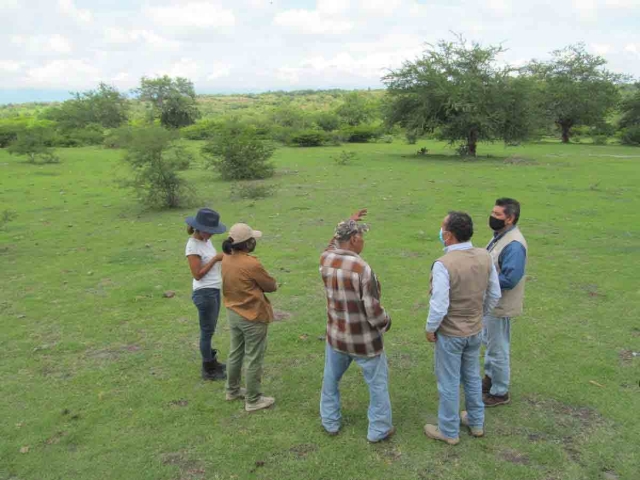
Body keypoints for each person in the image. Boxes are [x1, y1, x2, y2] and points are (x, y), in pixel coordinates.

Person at [424, 212, 501, 445]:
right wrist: (479, 315)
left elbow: (439, 305)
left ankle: (448, 430)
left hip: (450, 334)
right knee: (471, 376)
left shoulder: (443, 264)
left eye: (442, 229)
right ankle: (476, 422)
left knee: (448, 381)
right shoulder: (484, 256)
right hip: (475, 330)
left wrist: (430, 328)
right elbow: (494, 293)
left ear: (447, 235)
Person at [319, 209, 395, 443]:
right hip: (364, 341)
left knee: (330, 380)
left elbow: (332, 243)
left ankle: (330, 422)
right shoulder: (362, 269)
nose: (363, 241)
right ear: (353, 239)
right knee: (377, 385)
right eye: (361, 236)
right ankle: (378, 429)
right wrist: (386, 322)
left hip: (337, 336)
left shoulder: (325, 258)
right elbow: (372, 310)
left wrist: (348, 221)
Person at [221, 223, 278, 412]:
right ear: (247, 243)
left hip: (233, 312)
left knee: (235, 352)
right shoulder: (251, 263)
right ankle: (253, 400)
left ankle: (232, 390)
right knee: (254, 357)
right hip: (252, 315)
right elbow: (270, 286)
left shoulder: (226, 258)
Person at [483, 198, 528, 407]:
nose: (493, 217)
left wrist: (481, 282)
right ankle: (491, 378)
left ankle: (500, 392)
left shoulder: (514, 245)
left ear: (510, 218)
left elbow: (510, 278)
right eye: (492, 212)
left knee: (498, 348)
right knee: (491, 343)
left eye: (498, 215)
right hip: (491, 304)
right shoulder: (500, 236)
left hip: (500, 306)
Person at [185, 208, 227, 381]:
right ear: (199, 228)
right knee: (206, 332)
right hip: (205, 293)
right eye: (208, 231)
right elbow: (197, 274)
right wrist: (215, 259)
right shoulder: (193, 246)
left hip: (214, 290)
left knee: (210, 329)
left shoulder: (205, 240)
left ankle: (212, 361)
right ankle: (208, 369)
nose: (210, 235)